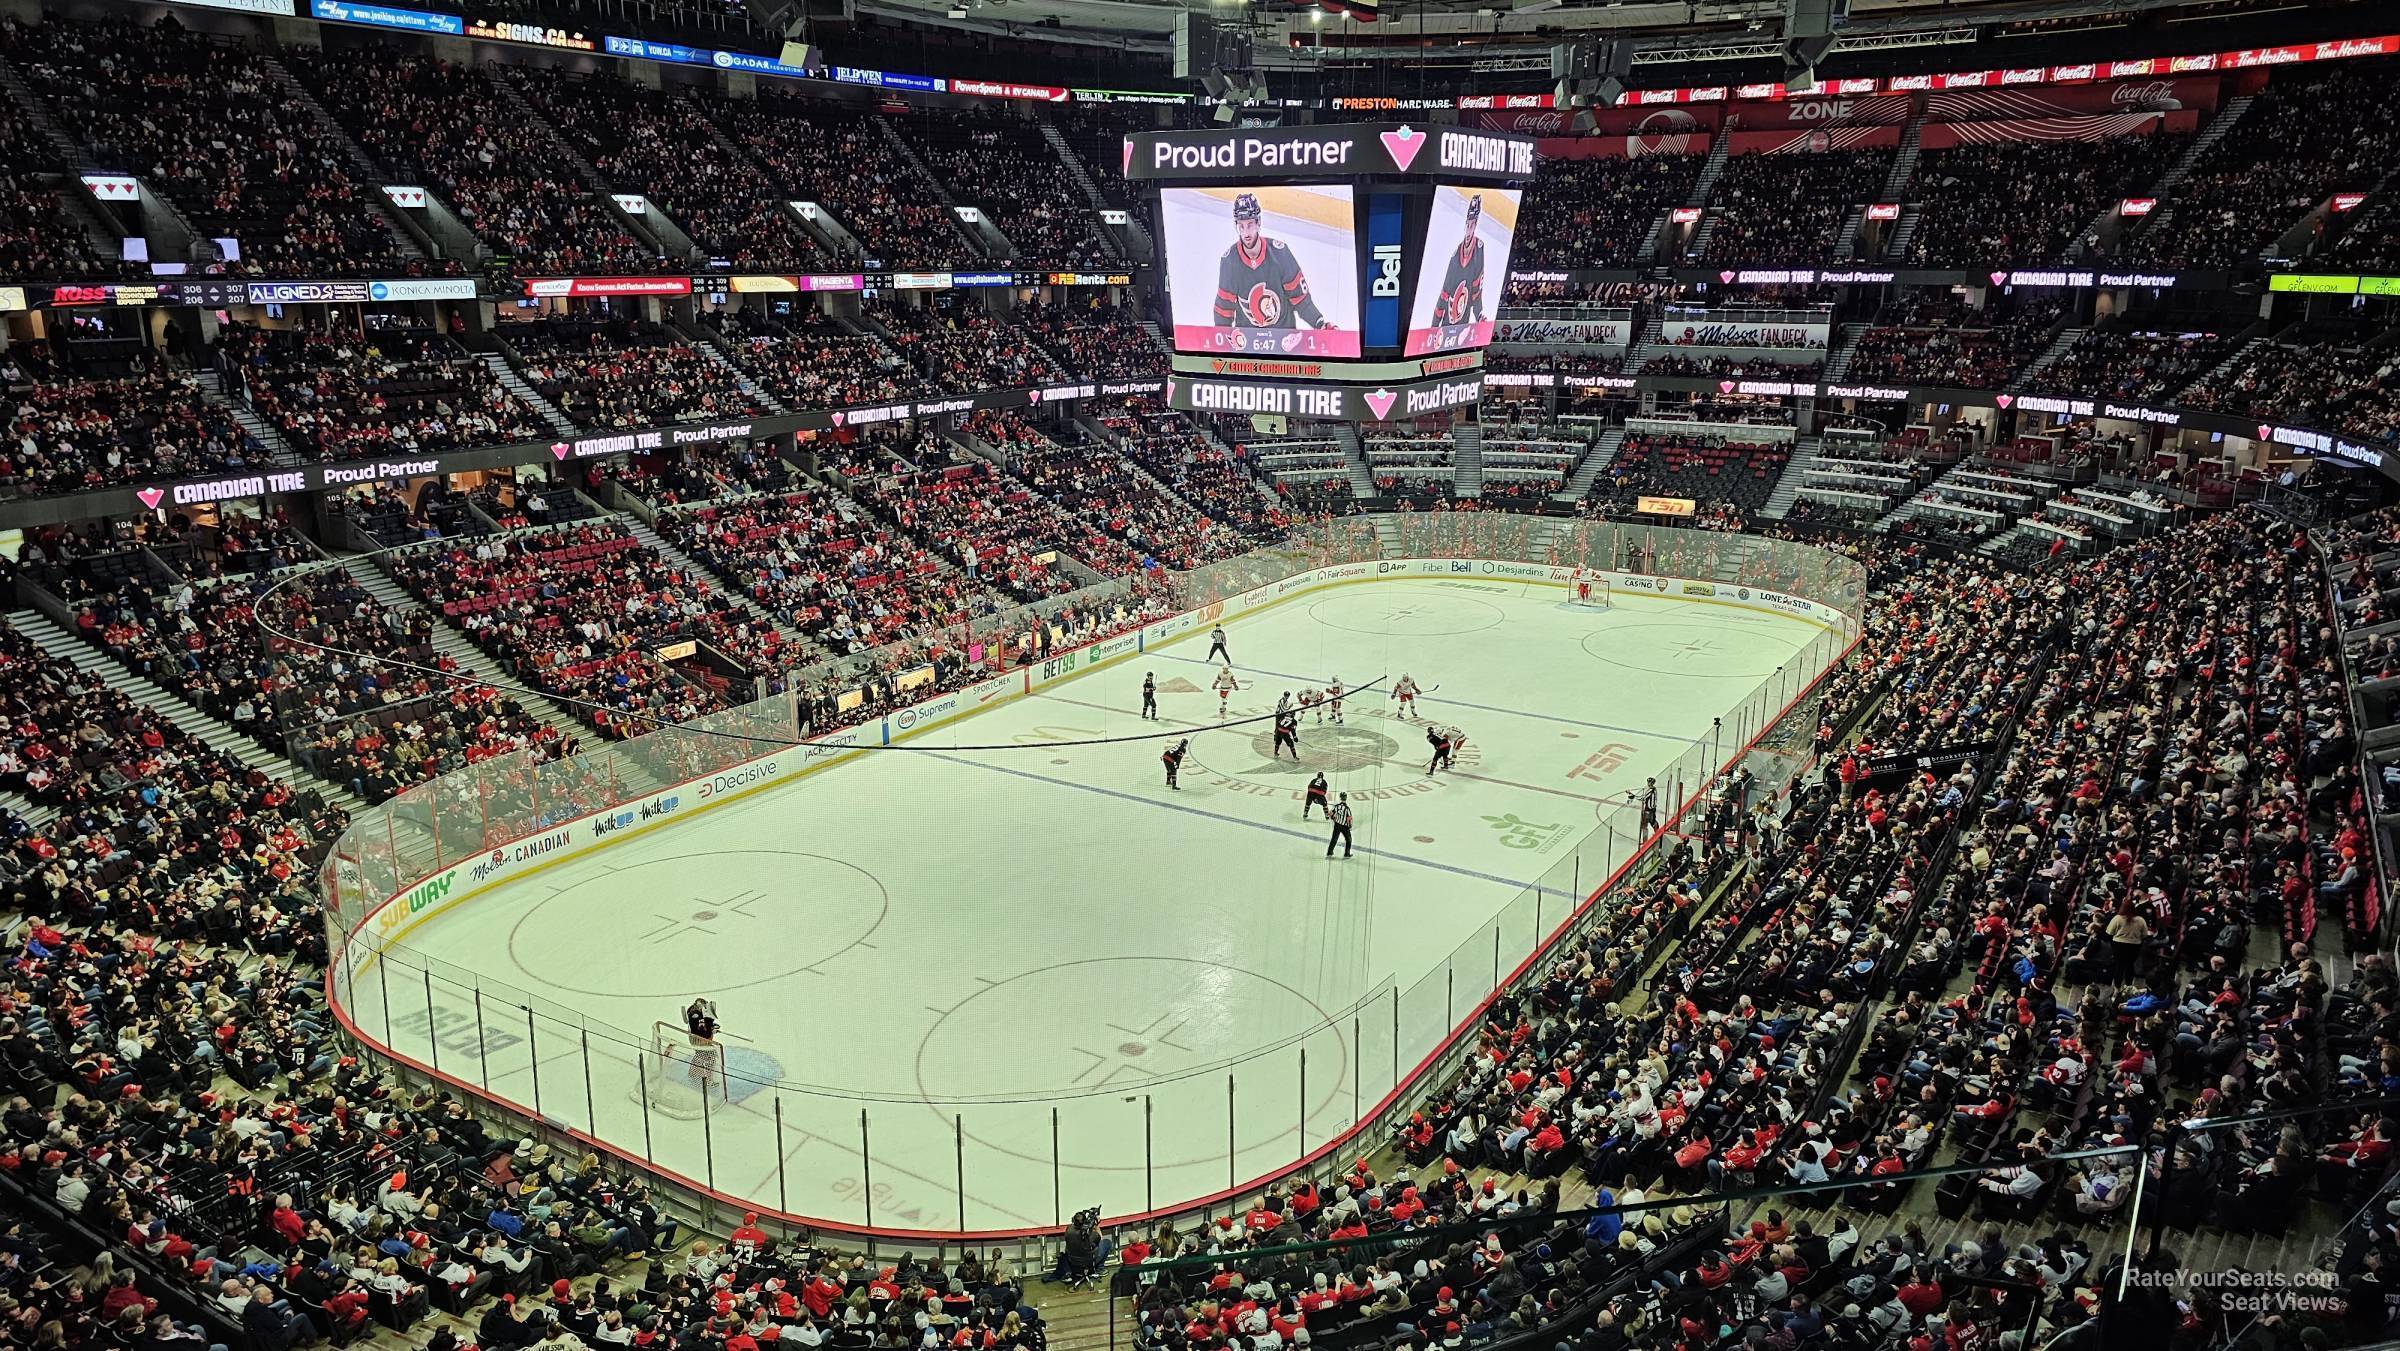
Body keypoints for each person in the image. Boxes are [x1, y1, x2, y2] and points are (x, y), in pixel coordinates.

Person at [1214, 193, 1328, 331]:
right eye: (1241, 226)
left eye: (1250, 225)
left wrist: (1320, 324)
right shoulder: (1230, 261)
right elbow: (1223, 310)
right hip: (1247, 342)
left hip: (1285, 339)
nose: (1246, 233)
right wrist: (1220, 340)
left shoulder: (1280, 254)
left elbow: (1301, 300)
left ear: (1258, 223)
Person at [1431, 194, 1489, 329]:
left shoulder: (1479, 248)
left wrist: (1479, 314)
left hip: (1464, 317)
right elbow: (1445, 293)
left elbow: (1476, 288)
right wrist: (1434, 325)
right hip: (1449, 318)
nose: (1469, 229)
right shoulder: (1455, 257)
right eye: (1468, 225)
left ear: (1475, 226)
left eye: (1472, 225)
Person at [1326, 793, 1354, 859]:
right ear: (1346, 798)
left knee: (1334, 839)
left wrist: (1333, 818)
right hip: (1345, 827)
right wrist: (1350, 826)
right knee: (1349, 840)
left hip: (1337, 825)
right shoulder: (1347, 808)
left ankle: (1329, 852)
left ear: (1340, 798)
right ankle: (1347, 854)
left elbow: (1330, 813)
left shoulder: (1337, 806)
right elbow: (1349, 818)